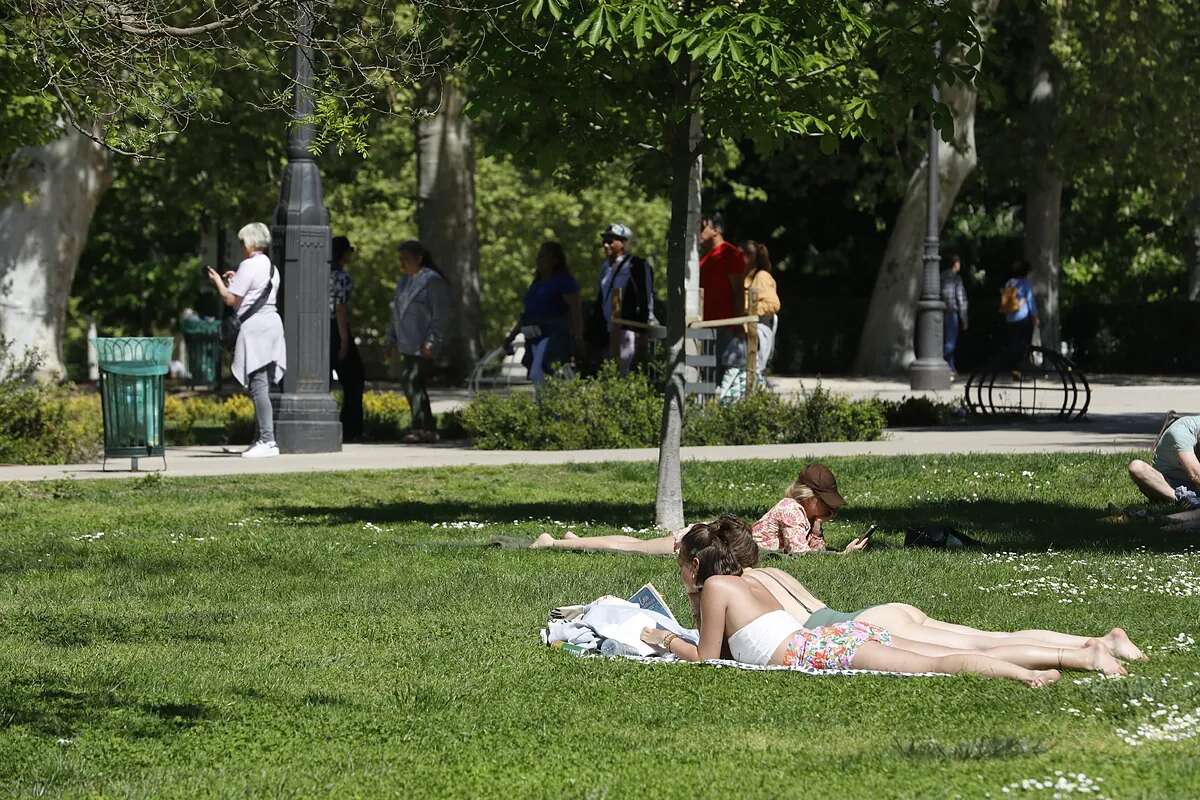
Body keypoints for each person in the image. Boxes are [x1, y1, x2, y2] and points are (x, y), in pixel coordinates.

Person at [638, 518, 1138, 684]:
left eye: (681, 561)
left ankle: (1045, 668)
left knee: (936, 663)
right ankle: (1077, 654)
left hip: (818, 649)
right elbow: (731, 647)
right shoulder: (747, 580)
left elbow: (707, 659)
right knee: (956, 648)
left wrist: (662, 638)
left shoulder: (718, 590)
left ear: (694, 564)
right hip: (832, 635)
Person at [530, 463, 868, 556]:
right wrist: (841, 557)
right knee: (631, 549)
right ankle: (555, 543)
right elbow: (799, 556)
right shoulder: (792, 511)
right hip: (705, 542)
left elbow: (808, 549)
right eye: (826, 503)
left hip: (712, 538)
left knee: (633, 546)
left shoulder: (805, 516)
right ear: (809, 497)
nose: (830, 509)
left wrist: (820, 528)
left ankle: (575, 539)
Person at [205, 222, 285, 459]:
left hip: (257, 328)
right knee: (264, 385)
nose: (241, 247)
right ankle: (261, 439)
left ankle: (268, 441)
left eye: (242, 242)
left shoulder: (249, 265)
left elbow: (230, 300)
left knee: (258, 385)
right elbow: (249, 297)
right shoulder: (271, 267)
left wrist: (217, 281)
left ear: (250, 242)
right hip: (272, 324)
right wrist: (235, 280)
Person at [388, 240, 449, 444]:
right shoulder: (404, 281)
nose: (402, 263)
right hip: (405, 343)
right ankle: (426, 428)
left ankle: (421, 426)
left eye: (406, 259)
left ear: (419, 258)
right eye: (400, 259)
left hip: (423, 343)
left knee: (412, 380)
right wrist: (391, 340)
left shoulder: (432, 281)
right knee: (412, 383)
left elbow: (440, 315)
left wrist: (432, 341)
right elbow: (395, 313)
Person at [504, 242, 584, 384]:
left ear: (555, 260)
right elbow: (526, 315)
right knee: (539, 376)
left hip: (553, 336)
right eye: (538, 256)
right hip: (533, 337)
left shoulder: (564, 281)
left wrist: (578, 337)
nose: (538, 260)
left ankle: (551, 403)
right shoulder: (537, 284)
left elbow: (576, 309)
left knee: (539, 373)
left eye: (543, 256)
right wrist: (512, 336)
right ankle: (546, 404)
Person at [590, 224, 654, 374]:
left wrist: (642, 331)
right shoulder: (605, 268)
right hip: (607, 331)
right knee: (610, 372)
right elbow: (603, 299)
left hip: (628, 329)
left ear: (623, 243)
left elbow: (646, 298)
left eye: (611, 241)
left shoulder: (636, 265)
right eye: (604, 241)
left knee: (627, 371)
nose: (606, 245)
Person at [699, 214, 748, 382]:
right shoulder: (703, 259)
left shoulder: (730, 254)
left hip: (725, 327)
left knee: (723, 377)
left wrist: (738, 323)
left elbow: (738, 291)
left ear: (716, 230)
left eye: (701, 228)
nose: (698, 232)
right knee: (706, 377)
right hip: (704, 326)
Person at [330, 235, 365, 442]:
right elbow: (340, 308)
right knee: (354, 379)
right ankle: (351, 427)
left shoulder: (319, 272)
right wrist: (344, 340)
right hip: (336, 327)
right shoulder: (341, 277)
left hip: (318, 328)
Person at [1128, 414, 1200, 507]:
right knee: (1137, 467)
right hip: (1171, 483)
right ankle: (1183, 500)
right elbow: (1196, 475)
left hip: (1194, 486)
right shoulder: (1181, 432)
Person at [739, 240, 781, 382]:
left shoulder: (761, 276)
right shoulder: (744, 277)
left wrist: (748, 309)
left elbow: (773, 304)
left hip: (756, 331)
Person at [999, 260, 1038, 377]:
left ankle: (1013, 368)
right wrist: (1035, 317)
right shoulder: (1025, 283)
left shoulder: (1009, 283)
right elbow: (1031, 301)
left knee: (1013, 344)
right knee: (1024, 344)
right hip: (1023, 318)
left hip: (1010, 318)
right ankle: (1021, 368)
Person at [940, 252, 968, 376]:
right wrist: (964, 317)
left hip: (940, 311)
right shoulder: (956, 278)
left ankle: (951, 368)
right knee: (951, 342)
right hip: (952, 312)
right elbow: (960, 298)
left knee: (946, 339)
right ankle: (939, 360)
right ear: (956, 264)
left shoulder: (941, 276)